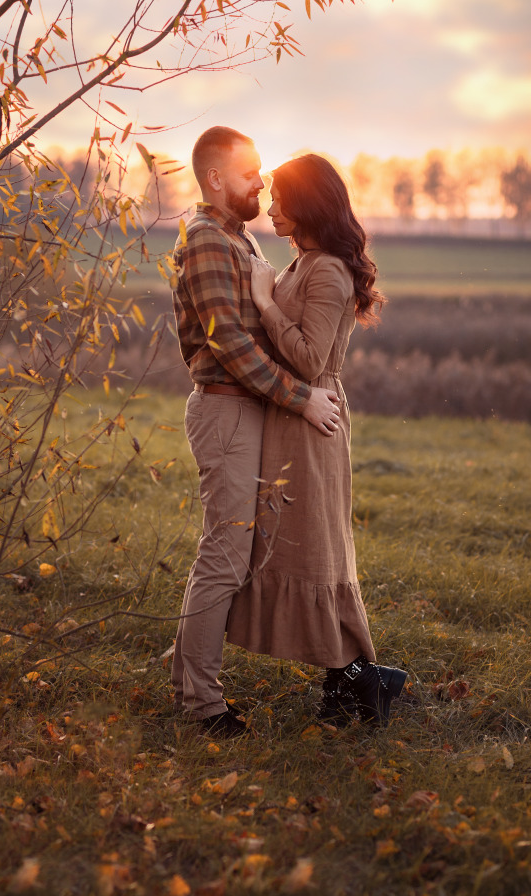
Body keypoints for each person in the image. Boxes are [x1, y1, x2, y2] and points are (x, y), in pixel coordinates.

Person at [170, 127, 342, 738]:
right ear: (215, 179)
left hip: (247, 410)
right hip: (226, 409)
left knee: (230, 552)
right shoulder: (209, 241)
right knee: (224, 553)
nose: (261, 184)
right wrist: (301, 399)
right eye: (250, 174)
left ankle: (188, 671)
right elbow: (231, 343)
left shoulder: (236, 239)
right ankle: (203, 706)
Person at [225, 154, 407, 727]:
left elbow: (307, 358)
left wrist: (261, 300)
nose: (271, 206)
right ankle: (356, 682)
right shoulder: (302, 262)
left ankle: (357, 679)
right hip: (291, 418)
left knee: (316, 549)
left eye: (281, 197)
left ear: (307, 204)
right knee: (303, 545)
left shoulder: (326, 269)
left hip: (312, 420)